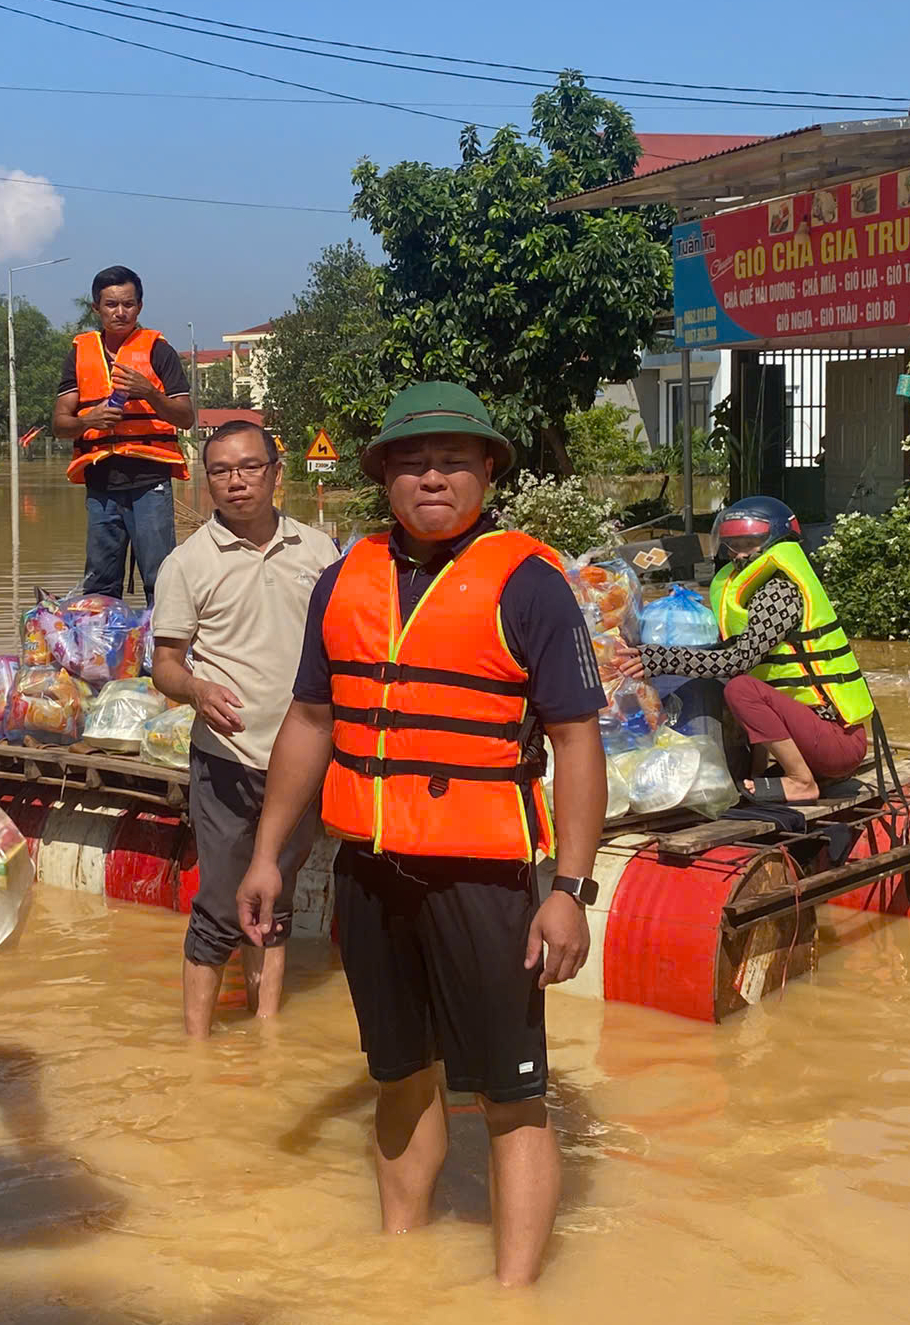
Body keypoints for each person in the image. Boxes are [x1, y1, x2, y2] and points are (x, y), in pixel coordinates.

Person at [234, 382, 607, 1288]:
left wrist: (569, 890)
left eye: (451, 459)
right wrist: (267, 855)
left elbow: (575, 740)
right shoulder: (344, 578)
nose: (430, 475)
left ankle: (513, 1299)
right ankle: (398, 1269)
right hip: (369, 874)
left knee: (512, 1098)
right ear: (384, 477)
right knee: (399, 1075)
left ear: (487, 469)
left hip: (485, 883)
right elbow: (312, 720)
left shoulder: (530, 585)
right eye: (410, 460)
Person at [149, 420, 340, 1038]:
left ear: (276, 474)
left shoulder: (319, 553)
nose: (236, 482)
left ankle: (267, 1036)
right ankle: (196, 1049)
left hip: (301, 761)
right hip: (226, 759)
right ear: (207, 483)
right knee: (220, 903)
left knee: (276, 900)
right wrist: (197, 690)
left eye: (249, 467)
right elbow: (165, 665)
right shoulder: (186, 563)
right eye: (222, 471)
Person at [622, 496, 875, 804]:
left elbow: (739, 658)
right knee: (746, 683)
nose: (738, 553)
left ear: (776, 542)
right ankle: (764, 773)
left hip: (836, 741)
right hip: (813, 737)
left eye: (747, 543)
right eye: (732, 544)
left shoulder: (779, 591)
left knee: (741, 687)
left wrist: (660, 658)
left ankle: (801, 782)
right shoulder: (757, 587)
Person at [52, 264, 196, 604]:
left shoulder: (159, 351)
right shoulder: (80, 353)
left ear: (140, 307)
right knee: (100, 581)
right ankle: (105, 652)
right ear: (96, 309)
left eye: (128, 304)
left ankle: (163, 653)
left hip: (150, 480)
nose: (120, 312)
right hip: (101, 482)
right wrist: (91, 420)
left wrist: (150, 391)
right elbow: (59, 424)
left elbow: (186, 417)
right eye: (111, 305)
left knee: (160, 576)